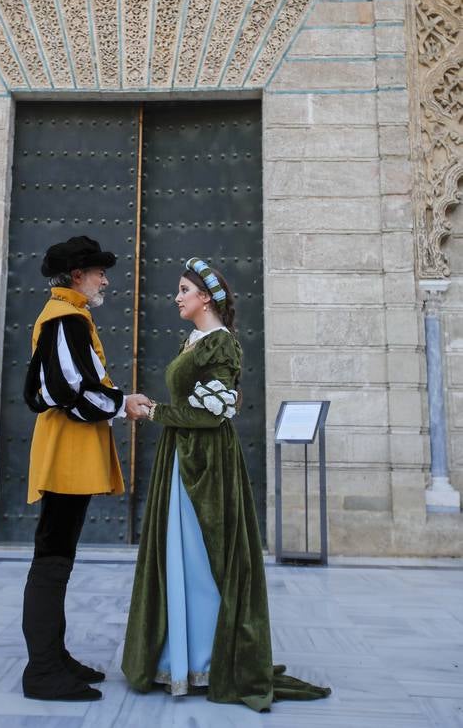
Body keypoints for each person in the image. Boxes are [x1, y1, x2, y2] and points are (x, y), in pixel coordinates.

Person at [121, 257, 331, 711]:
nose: (176, 297)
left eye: (183, 290)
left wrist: (152, 412)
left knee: (200, 558)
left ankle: (207, 660)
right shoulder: (195, 339)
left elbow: (210, 414)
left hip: (207, 465)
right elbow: (211, 404)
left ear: (205, 298)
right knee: (181, 555)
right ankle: (181, 657)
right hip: (184, 457)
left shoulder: (221, 344)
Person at [22, 235, 150, 702]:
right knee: (52, 555)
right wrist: (123, 404)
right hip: (65, 451)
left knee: (59, 553)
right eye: (98, 272)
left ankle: (54, 659)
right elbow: (69, 386)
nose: (105, 280)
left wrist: (115, 403)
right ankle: (41, 671)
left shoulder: (71, 316)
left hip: (71, 449)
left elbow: (73, 382)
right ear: (78, 275)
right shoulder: (64, 318)